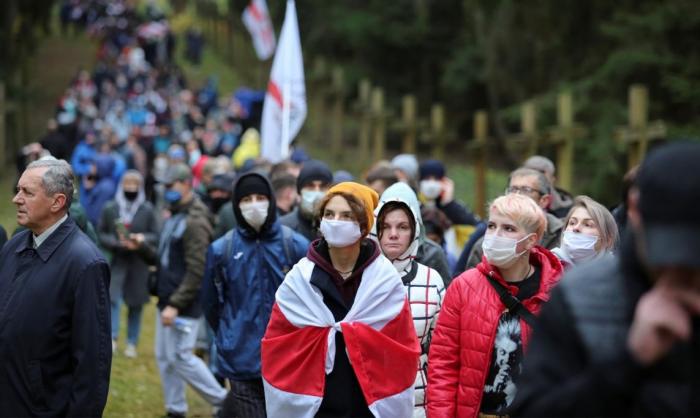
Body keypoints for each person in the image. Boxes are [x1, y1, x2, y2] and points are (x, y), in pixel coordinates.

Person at [510, 142, 700, 417]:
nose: (680, 267)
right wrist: (629, 361)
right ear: (634, 209)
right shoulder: (580, 297)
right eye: (668, 250)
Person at [261, 182, 420, 417]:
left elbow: (402, 350)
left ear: (364, 225)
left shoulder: (385, 281)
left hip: (369, 408)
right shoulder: (299, 280)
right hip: (314, 409)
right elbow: (277, 345)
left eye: (346, 215)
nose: (336, 221)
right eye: (329, 214)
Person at [427, 193, 562, 418]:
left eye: (508, 229)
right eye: (491, 226)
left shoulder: (556, 292)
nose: (495, 235)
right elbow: (443, 364)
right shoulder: (464, 286)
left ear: (531, 240)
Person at [0, 159, 111, 416]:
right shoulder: (13, 247)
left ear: (57, 202)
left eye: (27, 192)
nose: (16, 199)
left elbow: (92, 366)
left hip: (45, 408)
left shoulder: (85, 263)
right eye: (18, 190)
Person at [201, 172, 309, 417]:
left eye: (260, 197)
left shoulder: (295, 246)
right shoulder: (221, 250)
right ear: (236, 205)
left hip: (288, 360)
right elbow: (211, 304)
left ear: (271, 200)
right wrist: (230, 335)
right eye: (246, 199)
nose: (254, 204)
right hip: (241, 360)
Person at [154, 163, 227, 417]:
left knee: (181, 357)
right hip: (167, 298)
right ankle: (176, 409)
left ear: (186, 185)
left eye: (170, 185)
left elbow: (197, 269)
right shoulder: (174, 213)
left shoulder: (195, 220)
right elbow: (166, 256)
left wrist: (176, 303)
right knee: (165, 357)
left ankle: (226, 402)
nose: (166, 190)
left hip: (183, 302)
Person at [374, 182, 445, 417]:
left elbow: (442, 353)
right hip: (368, 400)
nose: (393, 234)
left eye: (403, 226)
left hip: (416, 402)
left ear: (414, 230)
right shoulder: (359, 279)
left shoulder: (432, 280)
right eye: (386, 226)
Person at [98, 170, 159, 357]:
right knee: (113, 299)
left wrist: (140, 240)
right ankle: (112, 338)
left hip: (138, 262)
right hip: (118, 260)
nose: (130, 189)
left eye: (134, 186)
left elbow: (156, 235)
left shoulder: (147, 209)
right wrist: (117, 243)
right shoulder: (111, 207)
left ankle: (132, 343)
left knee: (136, 304)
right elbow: (102, 233)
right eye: (127, 185)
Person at [465, 167, 564, 270]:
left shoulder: (562, 236)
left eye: (526, 190)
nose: (517, 195)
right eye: (513, 189)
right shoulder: (487, 242)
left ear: (544, 200)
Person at [418, 159, 479, 259]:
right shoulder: (415, 204)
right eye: (427, 178)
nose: (432, 183)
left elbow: (475, 227)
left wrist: (448, 204)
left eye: (436, 179)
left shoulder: (453, 206)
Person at [551, 195, 618, 269]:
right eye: (572, 223)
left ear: (608, 240)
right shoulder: (546, 265)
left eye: (588, 225)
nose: (576, 228)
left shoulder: (620, 276)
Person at [280, 159, 333, 241]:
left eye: (322, 186)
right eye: (310, 186)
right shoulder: (284, 228)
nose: (317, 192)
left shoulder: (335, 228)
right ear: (299, 191)